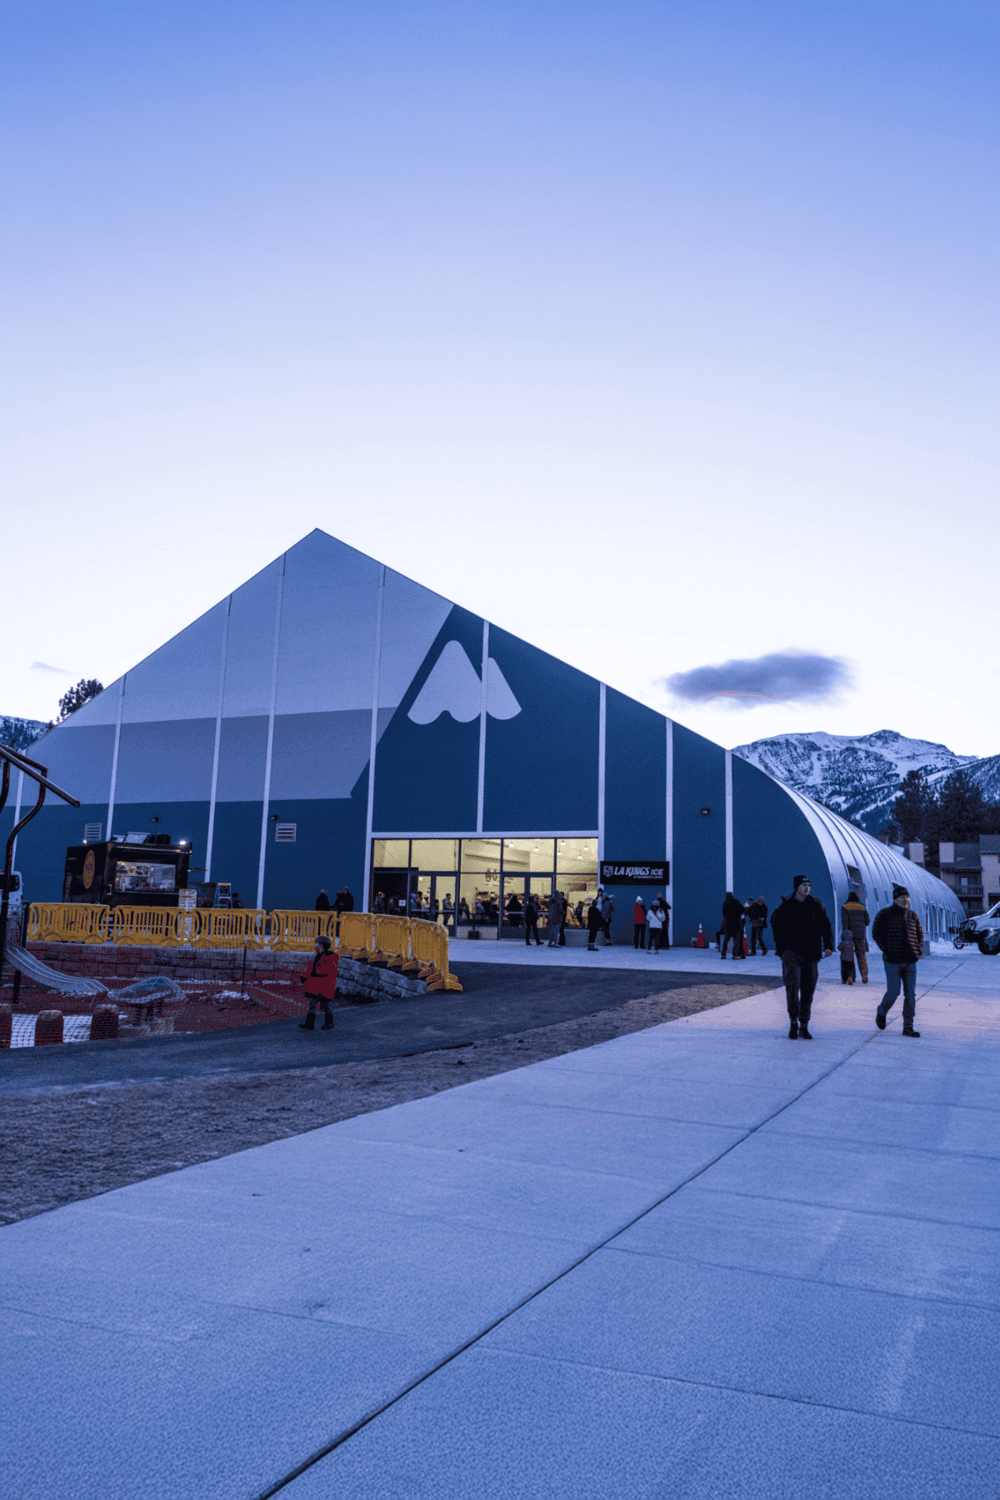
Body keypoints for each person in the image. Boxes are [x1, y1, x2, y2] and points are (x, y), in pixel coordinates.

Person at [771, 874, 835, 1039]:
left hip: (811, 953)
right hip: (791, 953)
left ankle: (804, 1024)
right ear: (796, 887)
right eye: (803, 885)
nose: (807, 888)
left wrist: (828, 945)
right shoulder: (786, 906)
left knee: (808, 990)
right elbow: (776, 926)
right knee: (792, 988)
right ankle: (793, 1022)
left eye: (809, 885)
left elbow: (826, 926)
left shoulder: (816, 905)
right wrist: (782, 949)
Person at [873, 886, 924, 1037]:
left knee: (910, 995)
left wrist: (918, 950)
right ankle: (882, 1011)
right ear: (895, 899)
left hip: (910, 961)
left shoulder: (913, 916)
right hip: (892, 961)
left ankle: (908, 1027)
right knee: (894, 992)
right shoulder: (884, 914)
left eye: (907, 897)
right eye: (902, 897)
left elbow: (920, 934)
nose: (905, 900)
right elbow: (876, 933)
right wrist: (886, 949)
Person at [298, 934, 339, 1031]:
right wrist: (304, 976)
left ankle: (329, 1023)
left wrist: (315, 972)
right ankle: (309, 1024)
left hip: (324, 986)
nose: (314, 946)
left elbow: (325, 970)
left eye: (316, 944)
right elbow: (312, 968)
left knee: (326, 1005)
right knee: (313, 1004)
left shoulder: (331, 957)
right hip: (317, 986)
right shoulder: (319, 956)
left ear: (321, 945)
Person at [841, 891, 870, 983]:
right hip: (861, 935)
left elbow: (845, 923)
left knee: (848, 956)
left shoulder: (845, 907)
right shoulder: (863, 908)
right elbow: (867, 922)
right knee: (861, 955)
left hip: (849, 936)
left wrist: (845, 936)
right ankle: (864, 973)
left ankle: (850, 977)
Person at [721, 893, 746, 959]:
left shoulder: (725, 903)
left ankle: (723, 954)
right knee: (736, 941)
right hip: (737, 924)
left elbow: (724, 913)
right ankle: (735, 954)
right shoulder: (736, 902)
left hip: (728, 924)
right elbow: (744, 910)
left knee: (726, 940)